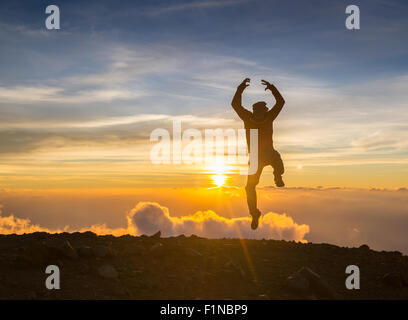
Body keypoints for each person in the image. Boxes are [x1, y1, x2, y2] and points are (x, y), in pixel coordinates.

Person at [231, 78, 285, 230]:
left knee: (250, 188)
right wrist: (273, 89)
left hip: (255, 158)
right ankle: (278, 175)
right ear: (265, 110)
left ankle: (254, 213)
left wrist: (240, 88)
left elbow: (235, 105)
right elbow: (281, 102)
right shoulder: (269, 117)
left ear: (255, 110)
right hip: (268, 154)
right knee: (277, 161)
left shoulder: (248, 118)